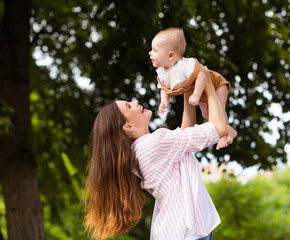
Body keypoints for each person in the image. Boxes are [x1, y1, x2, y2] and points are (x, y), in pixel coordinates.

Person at [84, 66, 237, 240]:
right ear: (127, 126)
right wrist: (207, 83)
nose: (135, 102)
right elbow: (217, 129)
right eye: (128, 106)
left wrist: (188, 92)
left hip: (182, 232)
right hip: (185, 232)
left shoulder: (140, 150)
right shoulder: (152, 145)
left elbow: (185, 137)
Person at [148, 27, 235, 150]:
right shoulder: (162, 72)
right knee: (206, 113)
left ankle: (222, 136)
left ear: (171, 55)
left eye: (155, 50)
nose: (150, 53)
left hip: (216, 84)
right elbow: (163, 87)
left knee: (219, 110)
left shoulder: (185, 65)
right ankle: (229, 130)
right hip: (203, 92)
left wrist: (196, 95)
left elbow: (201, 74)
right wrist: (164, 101)